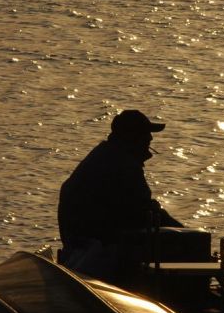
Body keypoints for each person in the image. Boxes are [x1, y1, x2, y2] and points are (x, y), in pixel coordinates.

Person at [57, 109, 182, 282]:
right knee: (179, 242)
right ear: (132, 136)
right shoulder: (123, 164)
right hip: (97, 243)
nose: (150, 139)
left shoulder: (106, 154)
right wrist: (180, 229)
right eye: (146, 134)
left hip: (82, 239)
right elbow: (141, 210)